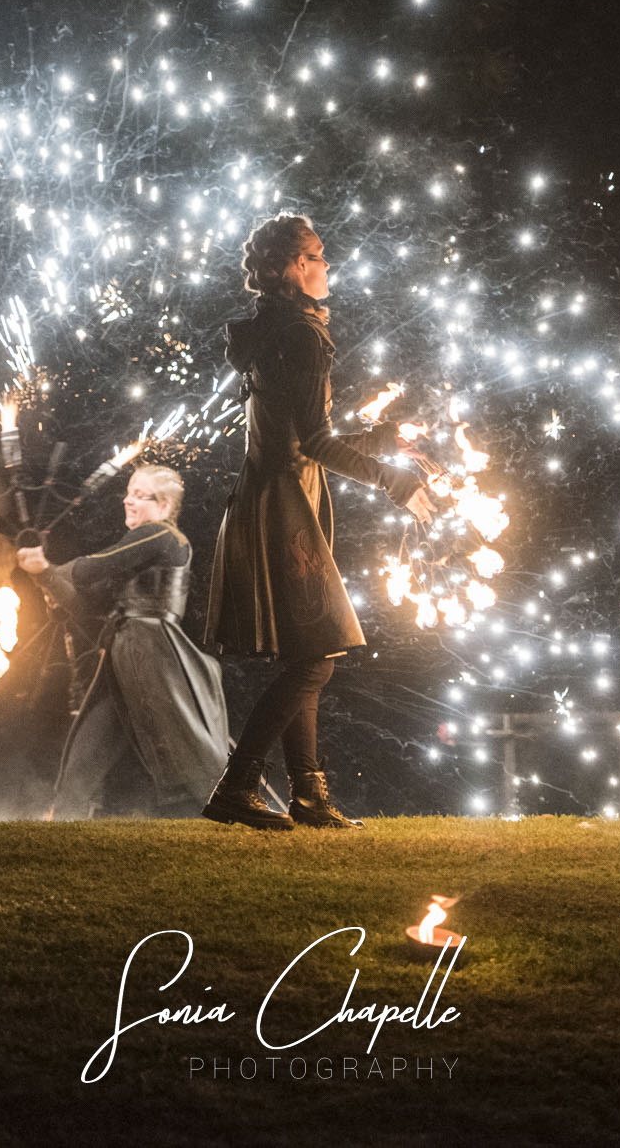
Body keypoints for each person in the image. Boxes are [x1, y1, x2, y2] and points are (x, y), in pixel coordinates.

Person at [201, 212, 439, 831]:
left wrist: (388, 436)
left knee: (311, 650)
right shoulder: (301, 336)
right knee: (314, 659)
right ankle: (237, 788)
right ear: (295, 267)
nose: (327, 265)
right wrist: (395, 482)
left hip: (273, 499)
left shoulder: (278, 329)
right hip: (285, 505)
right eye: (319, 254)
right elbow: (317, 444)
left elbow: (309, 433)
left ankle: (309, 797)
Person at [15, 465, 229, 818]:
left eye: (139, 495)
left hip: (152, 654)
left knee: (192, 753)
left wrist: (50, 567)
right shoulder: (146, 544)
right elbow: (86, 606)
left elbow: (92, 569)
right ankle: (62, 827)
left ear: (163, 507)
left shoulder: (161, 536)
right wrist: (44, 574)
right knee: (87, 754)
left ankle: (226, 818)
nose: (127, 500)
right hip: (127, 654)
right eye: (128, 491)